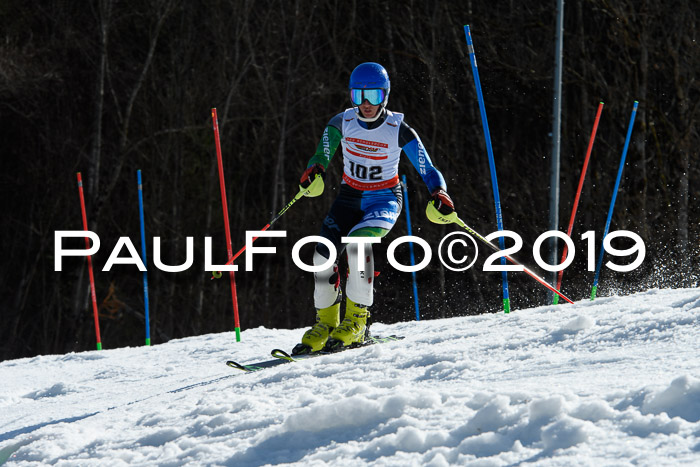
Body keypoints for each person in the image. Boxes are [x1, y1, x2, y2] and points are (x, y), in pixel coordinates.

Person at [292, 62, 455, 355]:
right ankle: (327, 324)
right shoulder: (340, 122)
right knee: (320, 255)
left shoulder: (398, 129)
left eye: (374, 96)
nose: (366, 104)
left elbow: (428, 170)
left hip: (384, 199)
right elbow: (321, 155)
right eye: (359, 96)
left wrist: (439, 192)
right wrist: (313, 171)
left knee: (357, 244)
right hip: (349, 198)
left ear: (386, 96)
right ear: (351, 96)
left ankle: (356, 321)